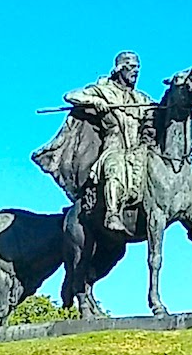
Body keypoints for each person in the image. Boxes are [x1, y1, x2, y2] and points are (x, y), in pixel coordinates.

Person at [32, 51, 156, 234]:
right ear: (119, 69)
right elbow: (70, 96)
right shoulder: (103, 90)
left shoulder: (140, 98)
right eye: (131, 67)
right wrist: (94, 101)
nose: (135, 71)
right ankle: (112, 214)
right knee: (114, 169)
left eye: (138, 67)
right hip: (115, 146)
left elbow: (157, 110)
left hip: (138, 149)